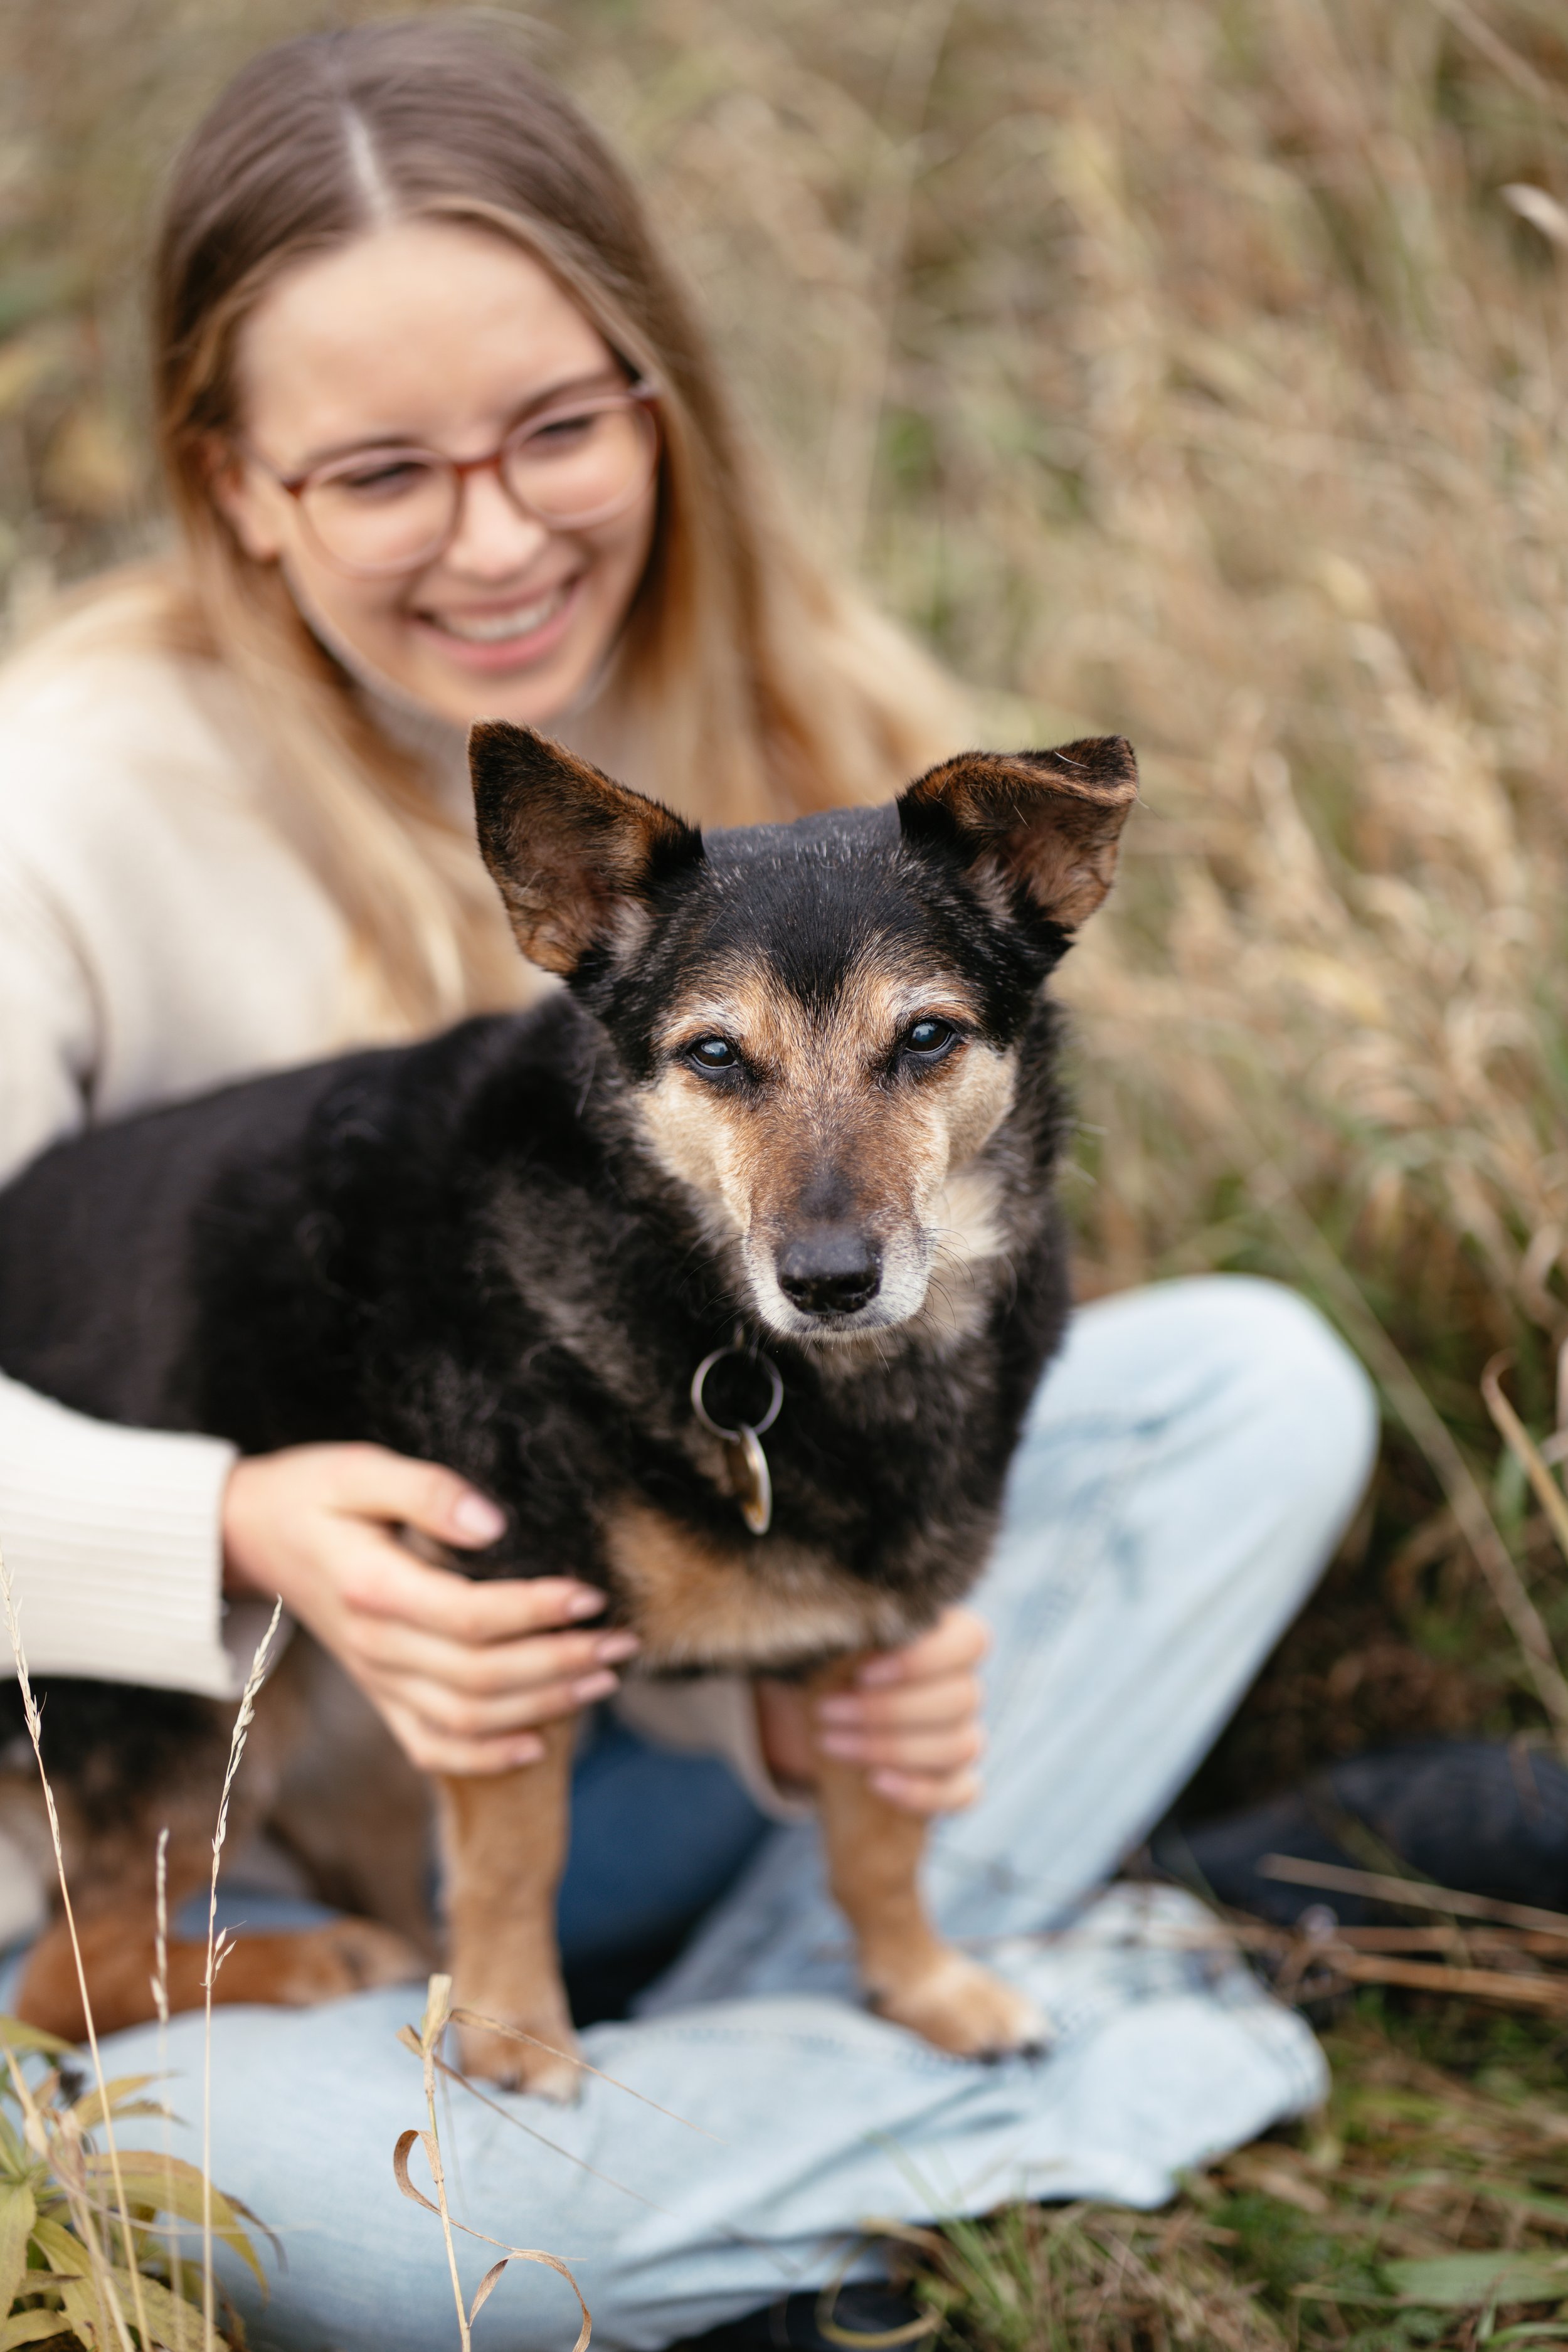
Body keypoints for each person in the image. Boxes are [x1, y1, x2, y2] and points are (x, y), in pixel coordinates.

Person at [0, 21, 1378, 2351]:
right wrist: (235, 1527)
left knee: (1252, 1380)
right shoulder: (66, 794)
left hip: (618, 1722)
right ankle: (1143, 2008)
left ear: (655, 393)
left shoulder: (801, 699)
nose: (500, 531)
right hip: (173, 1773)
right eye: (378, 471)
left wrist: (839, 1681)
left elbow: (892, 1269)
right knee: (338, 2222)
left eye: (556, 425)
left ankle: (731, 2064)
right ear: (236, 486)